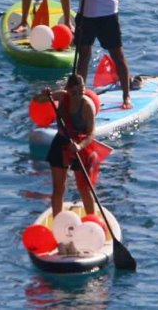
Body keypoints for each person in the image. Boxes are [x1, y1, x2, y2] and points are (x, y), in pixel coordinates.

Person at [19, 0, 134, 109]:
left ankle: (126, 96)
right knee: (83, 57)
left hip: (107, 16)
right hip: (85, 16)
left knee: (118, 56)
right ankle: (79, 94)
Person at [33, 74, 98, 219]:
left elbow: (91, 133)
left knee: (84, 189)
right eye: (74, 92)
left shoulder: (86, 106)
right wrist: (44, 94)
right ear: (67, 90)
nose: (78, 96)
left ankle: (92, 220)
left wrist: (80, 146)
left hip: (80, 146)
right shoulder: (62, 96)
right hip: (61, 142)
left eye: (81, 92)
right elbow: (37, 100)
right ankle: (58, 222)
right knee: (58, 189)